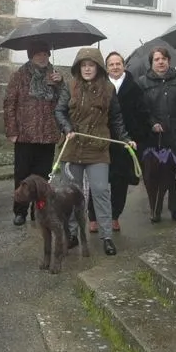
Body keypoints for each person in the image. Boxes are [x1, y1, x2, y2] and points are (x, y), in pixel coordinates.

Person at [54, 47, 135, 256]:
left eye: (91, 65)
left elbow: (116, 118)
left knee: (100, 191)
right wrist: (67, 127)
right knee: (71, 194)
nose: (87, 69)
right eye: (83, 65)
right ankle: (71, 234)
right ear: (78, 67)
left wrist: (125, 138)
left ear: (98, 68)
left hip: (98, 149)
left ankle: (106, 236)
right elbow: (59, 111)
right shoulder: (69, 86)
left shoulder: (109, 89)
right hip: (72, 147)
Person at [85, 51, 149, 232]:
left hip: (123, 142)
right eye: (111, 64)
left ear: (124, 66)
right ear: (106, 68)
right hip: (101, 141)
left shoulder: (134, 88)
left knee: (120, 183)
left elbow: (141, 115)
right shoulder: (99, 86)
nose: (115, 67)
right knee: (98, 181)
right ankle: (93, 217)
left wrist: (135, 138)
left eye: (118, 64)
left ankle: (114, 216)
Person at [3, 41, 64, 227]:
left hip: (47, 135)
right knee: (22, 176)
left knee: (42, 178)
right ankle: (20, 211)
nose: (42, 57)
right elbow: (9, 103)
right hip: (25, 135)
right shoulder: (20, 75)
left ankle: (39, 210)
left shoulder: (55, 76)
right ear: (31, 56)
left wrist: (60, 84)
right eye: (38, 54)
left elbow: (64, 103)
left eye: (45, 54)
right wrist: (12, 130)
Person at [138, 46, 176, 223]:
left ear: (169, 61)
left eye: (163, 58)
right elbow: (140, 109)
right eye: (156, 59)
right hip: (154, 138)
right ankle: (155, 209)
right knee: (152, 176)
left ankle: (175, 208)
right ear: (151, 63)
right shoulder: (142, 83)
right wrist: (151, 123)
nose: (161, 62)